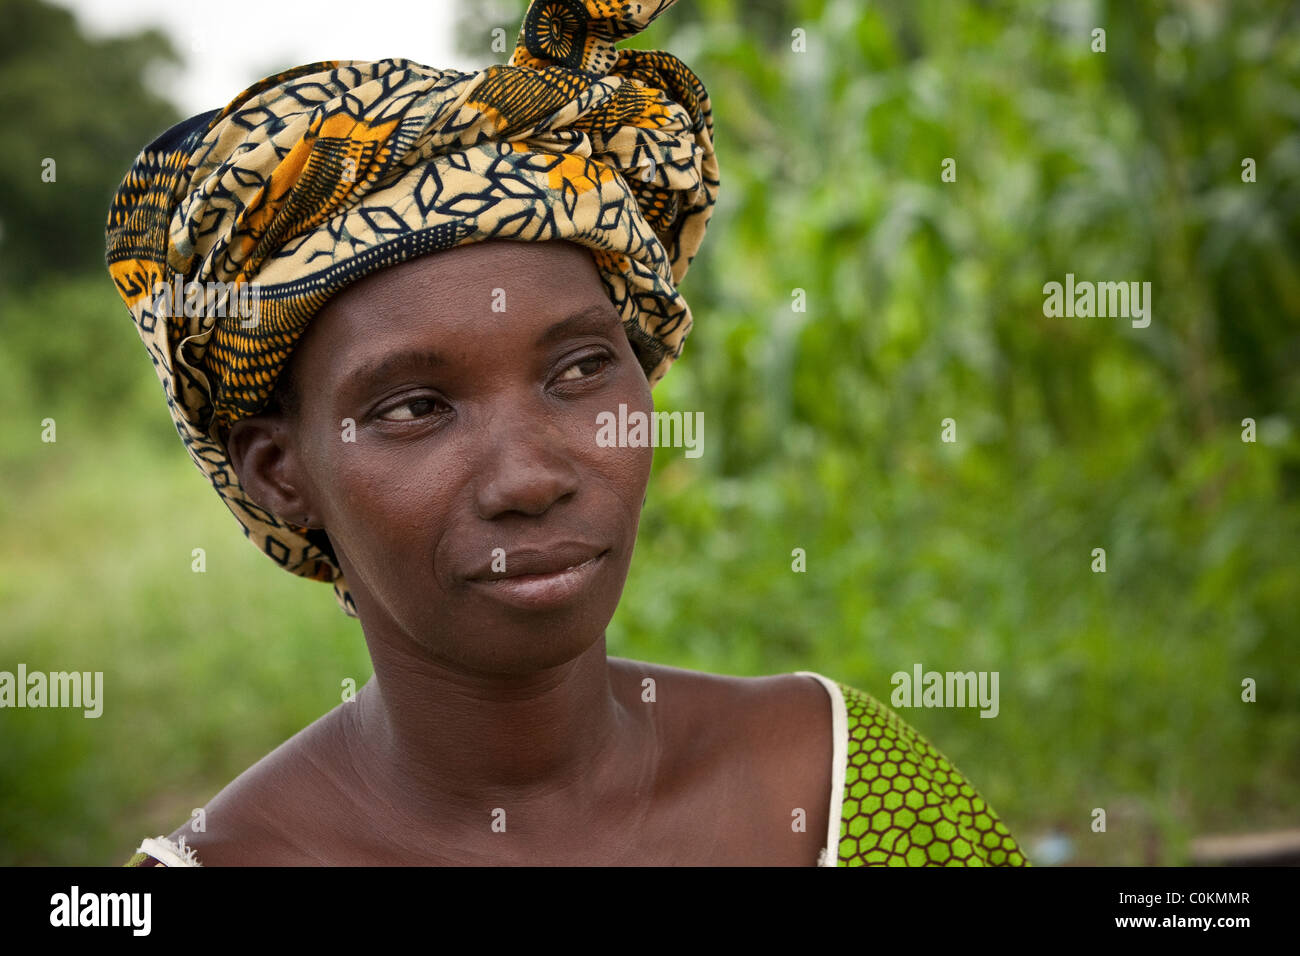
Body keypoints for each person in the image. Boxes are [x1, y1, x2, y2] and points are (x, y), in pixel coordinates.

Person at [108, 0, 1028, 867]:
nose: (530, 476)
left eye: (580, 370)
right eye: (415, 408)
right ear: (279, 473)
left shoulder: (838, 791)